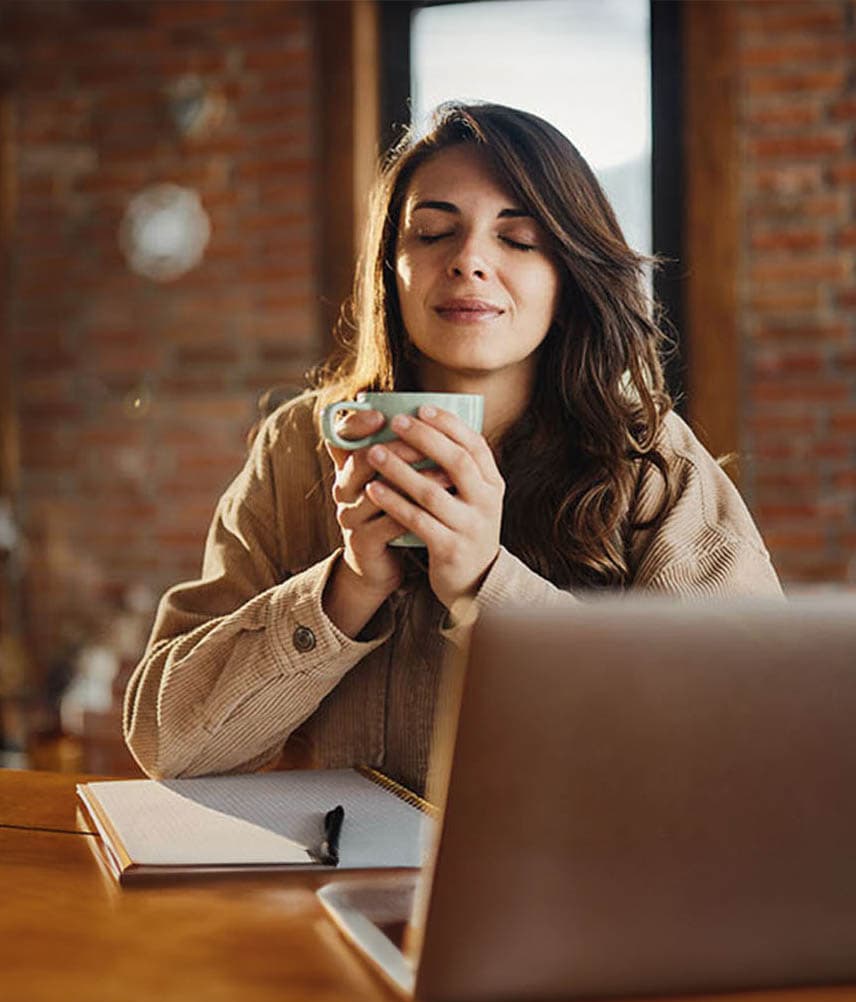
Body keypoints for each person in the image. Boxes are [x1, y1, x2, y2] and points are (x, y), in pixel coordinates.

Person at [124, 102, 782, 789]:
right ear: (392, 268)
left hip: (564, 890)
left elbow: (746, 741)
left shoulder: (650, 459)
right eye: (434, 232)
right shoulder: (299, 447)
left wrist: (486, 586)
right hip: (321, 890)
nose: (469, 261)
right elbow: (165, 740)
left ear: (570, 274)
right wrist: (345, 590)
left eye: (520, 240)